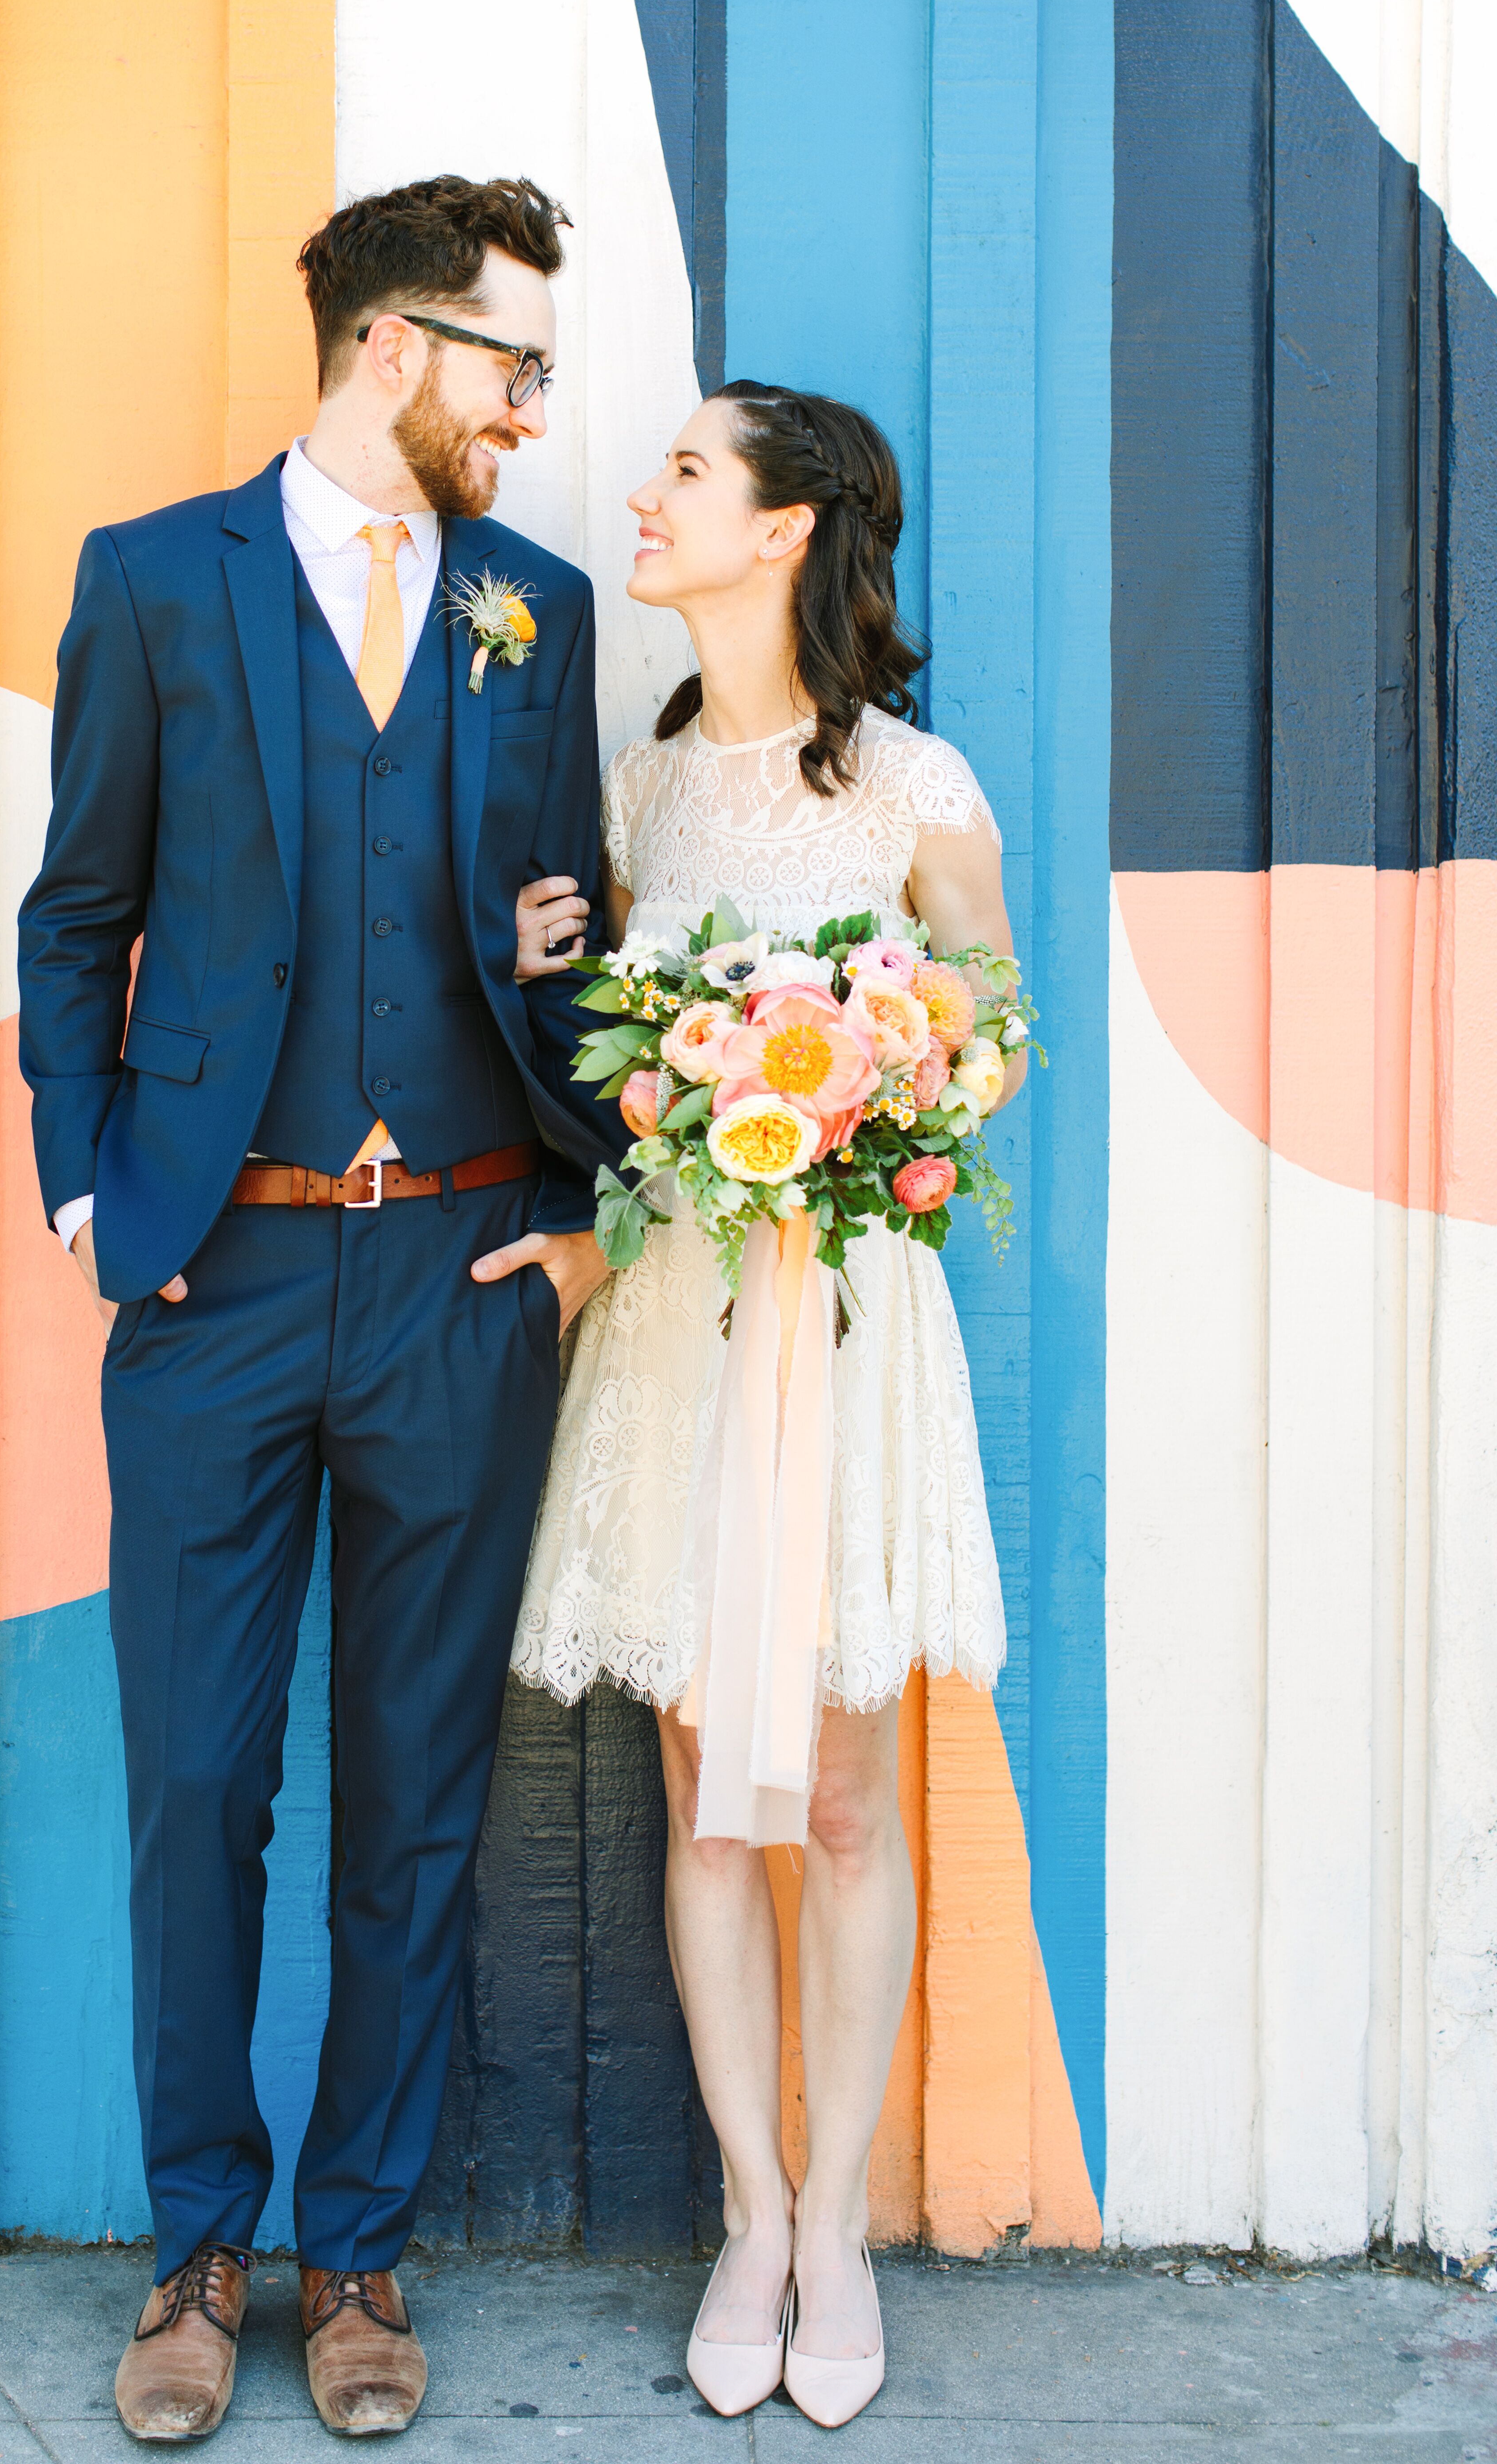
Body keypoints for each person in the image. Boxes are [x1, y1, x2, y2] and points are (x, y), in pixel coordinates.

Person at [16, 174, 616, 2445]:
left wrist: (576, 1198)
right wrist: (97, 1197)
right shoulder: (158, 580)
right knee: (195, 1780)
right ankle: (194, 2246)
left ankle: (356, 2250)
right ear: (390, 348)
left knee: (419, 1801)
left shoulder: (532, 608)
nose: (532, 413)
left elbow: (554, 935)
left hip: (458, 1269)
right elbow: (77, 912)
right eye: (512, 366)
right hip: (221, 1271)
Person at [511, 383, 1018, 2431]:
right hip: (675, 1333)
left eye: (688, 476)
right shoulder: (636, 803)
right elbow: (602, 1070)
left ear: (791, 529)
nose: (648, 497)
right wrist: (576, 984)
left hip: (846, 1326)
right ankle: (747, 2206)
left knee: (835, 1788)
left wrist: (878, 1077)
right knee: (705, 1791)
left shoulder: (913, 784)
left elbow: (985, 1035)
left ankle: (841, 2238)